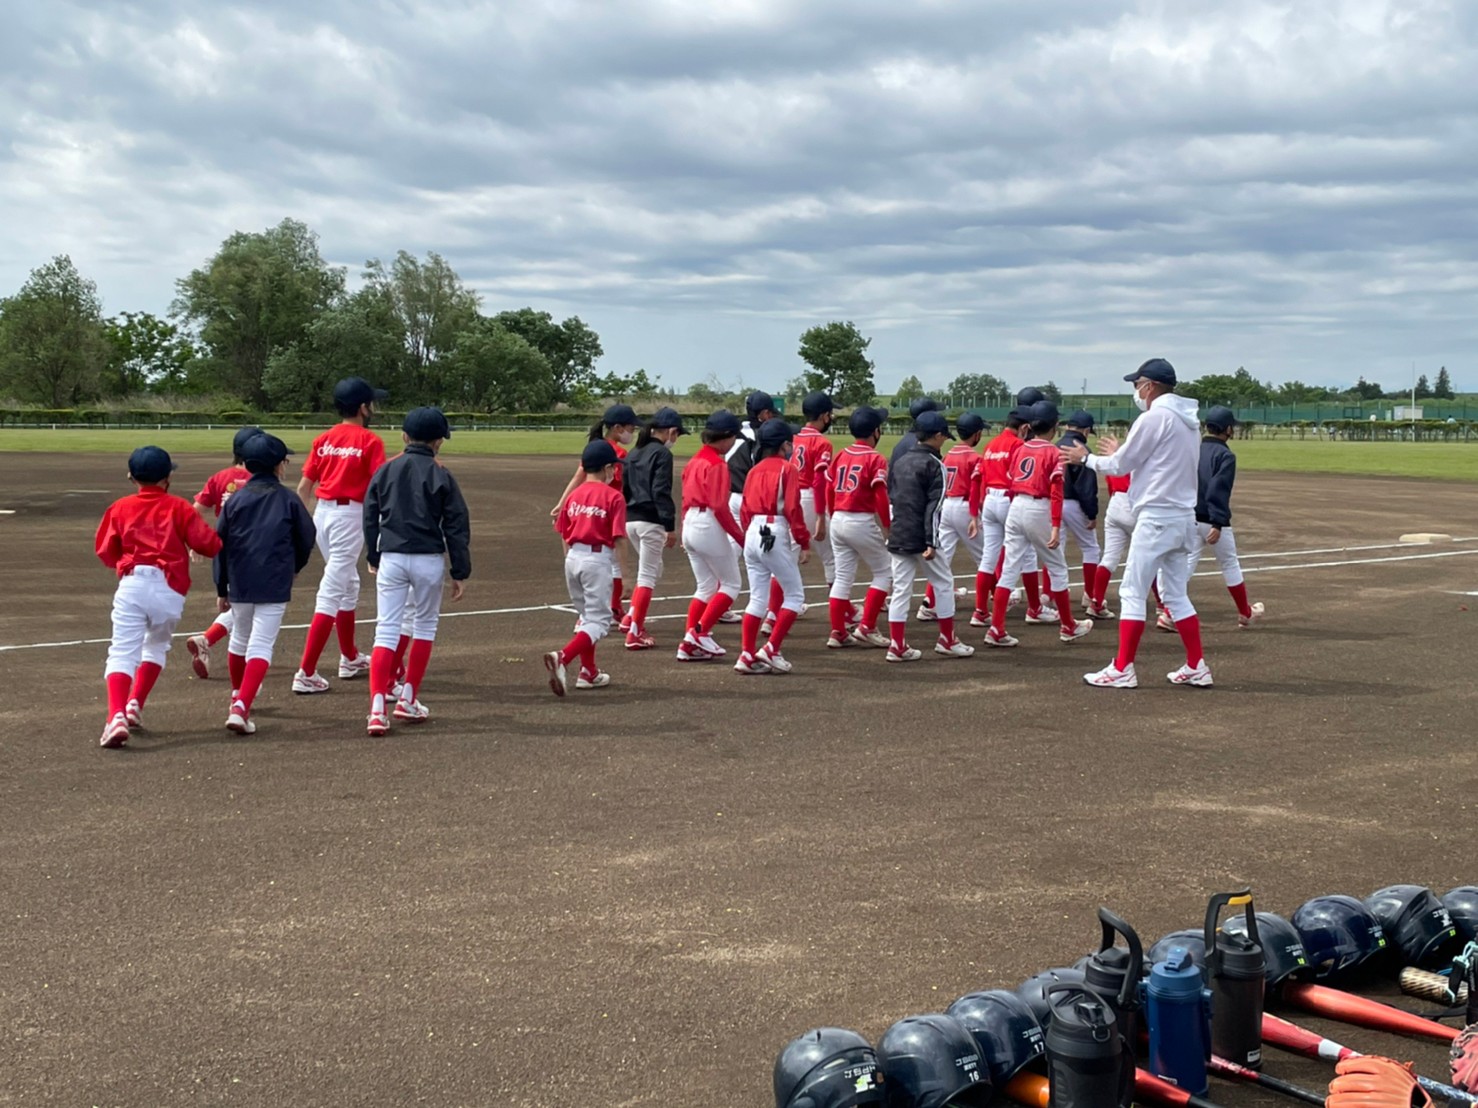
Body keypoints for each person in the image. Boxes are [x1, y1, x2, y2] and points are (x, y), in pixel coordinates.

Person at [1061, 358, 1212, 689]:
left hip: (1157, 514)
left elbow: (1121, 464)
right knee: (1175, 594)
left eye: (1137, 385)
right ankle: (1196, 665)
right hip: (1182, 515)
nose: (1136, 391)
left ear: (1150, 386)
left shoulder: (1154, 416)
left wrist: (1086, 459)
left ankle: (1122, 668)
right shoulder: (1188, 421)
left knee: (1132, 590)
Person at [94, 446, 222, 748]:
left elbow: (106, 551)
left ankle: (116, 716)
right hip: (169, 588)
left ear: (131, 476)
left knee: (122, 651)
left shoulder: (120, 507)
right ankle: (135, 705)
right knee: (156, 646)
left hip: (134, 583)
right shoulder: (179, 507)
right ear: (168, 477)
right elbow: (209, 544)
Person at [363, 407, 472, 733]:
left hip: (392, 556)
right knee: (424, 627)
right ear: (438, 442)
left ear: (404, 436)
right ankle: (408, 699)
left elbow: (370, 515)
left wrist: (374, 555)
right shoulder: (442, 474)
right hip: (428, 559)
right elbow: (456, 525)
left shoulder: (386, 469)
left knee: (386, 629)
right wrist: (460, 570)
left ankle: (377, 709)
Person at [212, 433, 317, 735]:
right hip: (274, 579)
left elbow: (220, 545)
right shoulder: (288, 499)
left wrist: (221, 586)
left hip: (240, 579)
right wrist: (295, 567)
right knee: (261, 643)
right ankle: (241, 708)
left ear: (246, 464)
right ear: (278, 466)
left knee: (239, 638)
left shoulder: (235, 500)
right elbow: (306, 537)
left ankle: (237, 695)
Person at [293, 376, 389, 694]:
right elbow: (379, 488)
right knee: (332, 590)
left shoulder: (323, 438)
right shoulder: (370, 441)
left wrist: (302, 525)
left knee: (348, 584)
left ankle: (349, 658)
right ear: (363, 407)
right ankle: (306, 672)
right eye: (370, 403)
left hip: (323, 514)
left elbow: (304, 487)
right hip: (349, 517)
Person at [984, 401, 1092, 648]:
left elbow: (1011, 479)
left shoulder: (1021, 447)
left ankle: (996, 628)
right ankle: (1068, 625)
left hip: (1016, 505)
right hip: (1038, 507)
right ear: (1055, 426)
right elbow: (1056, 491)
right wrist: (1055, 524)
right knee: (1057, 568)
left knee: (1009, 569)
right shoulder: (1053, 452)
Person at [886, 411, 974, 660]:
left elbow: (893, 498)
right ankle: (947, 639)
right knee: (943, 583)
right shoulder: (935, 464)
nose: (944, 440)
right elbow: (934, 507)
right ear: (936, 436)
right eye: (943, 436)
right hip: (921, 535)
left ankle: (897, 645)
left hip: (899, 531)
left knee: (901, 589)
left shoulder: (900, 461)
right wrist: (931, 541)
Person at [546, 440, 626, 696]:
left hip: (573, 558)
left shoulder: (573, 496)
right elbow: (619, 539)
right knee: (599, 622)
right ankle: (563, 657)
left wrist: (570, 560)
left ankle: (588, 672)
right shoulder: (614, 496)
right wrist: (627, 576)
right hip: (597, 559)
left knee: (586, 617)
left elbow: (563, 531)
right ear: (606, 468)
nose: (615, 471)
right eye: (613, 467)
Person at [734, 419, 811, 674]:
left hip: (753, 530)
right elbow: (792, 508)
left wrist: (749, 534)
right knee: (795, 596)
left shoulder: (754, 470)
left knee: (757, 597)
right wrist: (803, 540)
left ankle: (746, 654)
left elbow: (744, 509)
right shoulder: (787, 469)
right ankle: (771, 649)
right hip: (774, 529)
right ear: (783, 444)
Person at [183, 425, 259, 679]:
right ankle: (208, 640)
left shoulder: (219, 477)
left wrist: (196, 542)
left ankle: (209, 641)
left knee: (239, 603)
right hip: (254, 550)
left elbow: (194, 512)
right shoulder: (260, 480)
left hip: (225, 550)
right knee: (252, 607)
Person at [554, 404, 639, 623]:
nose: (633, 433)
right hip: (606, 510)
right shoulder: (616, 453)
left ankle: (591, 612)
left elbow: (578, 477)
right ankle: (613, 607)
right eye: (631, 428)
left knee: (597, 561)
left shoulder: (594, 448)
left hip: (589, 508)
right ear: (617, 428)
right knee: (612, 559)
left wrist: (563, 503)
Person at [1183, 405, 1265, 628]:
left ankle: (1169, 612)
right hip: (1212, 520)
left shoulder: (1194, 449)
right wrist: (1218, 522)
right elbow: (1217, 490)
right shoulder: (1225, 455)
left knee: (1185, 565)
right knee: (1229, 563)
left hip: (1190, 516)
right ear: (1227, 429)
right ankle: (1244, 613)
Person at [677, 410, 746, 661]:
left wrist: (684, 529)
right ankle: (700, 633)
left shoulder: (694, 460)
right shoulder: (717, 464)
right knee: (731, 584)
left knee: (705, 586)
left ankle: (690, 641)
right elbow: (719, 506)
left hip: (691, 522)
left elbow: (685, 499)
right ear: (725, 437)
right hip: (707, 524)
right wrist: (740, 537)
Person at [971, 407, 1045, 626]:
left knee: (988, 556)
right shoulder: (1019, 445)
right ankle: (1035, 608)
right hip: (1009, 499)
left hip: (990, 500)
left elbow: (982, 476)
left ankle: (980, 611)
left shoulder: (991, 444)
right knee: (1028, 554)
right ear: (1024, 427)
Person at [826, 405, 893, 649]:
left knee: (843, 576)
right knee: (885, 571)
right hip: (860, 520)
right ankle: (867, 626)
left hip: (838, 518)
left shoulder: (841, 455)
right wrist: (887, 525)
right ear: (875, 431)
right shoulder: (875, 458)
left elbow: (829, 489)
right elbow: (880, 495)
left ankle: (838, 631)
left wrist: (833, 515)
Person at [621, 407, 686, 649]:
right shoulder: (662, 454)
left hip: (631, 519)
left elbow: (625, 488)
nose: (675, 439)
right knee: (648, 575)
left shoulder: (634, 452)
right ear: (670, 431)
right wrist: (669, 525)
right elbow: (660, 491)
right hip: (650, 520)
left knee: (654, 569)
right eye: (676, 434)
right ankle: (635, 631)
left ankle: (630, 618)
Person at [725, 391, 779, 622]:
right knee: (767, 548)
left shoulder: (734, 431)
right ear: (764, 413)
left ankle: (721, 600)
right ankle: (771, 605)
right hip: (752, 500)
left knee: (733, 549)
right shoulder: (760, 436)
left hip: (732, 497)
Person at [893, 397, 943, 618]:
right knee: (941, 578)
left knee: (901, 583)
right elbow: (931, 499)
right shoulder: (924, 450)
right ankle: (945, 629)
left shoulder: (901, 444)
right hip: (918, 517)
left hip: (899, 515)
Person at [935, 412, 986, 624]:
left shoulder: (948, 454)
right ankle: (983, 610)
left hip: (947, 506)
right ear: (976, 434)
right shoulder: (975, 457)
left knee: (941, 558)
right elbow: (975, 490)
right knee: (985, 558)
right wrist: (974, 515)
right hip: (965, 507)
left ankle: (930, 604)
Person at [1058, 410, 1104, 617]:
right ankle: (1090, 595)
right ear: (1086, 430)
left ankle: (1048, 595)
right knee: (1091, 548)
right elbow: (1086, 488)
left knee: (1055, 551)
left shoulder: (1055, 445)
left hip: (1053, 503)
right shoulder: (1082, 450)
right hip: (1074, 504)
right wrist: (1091, 514)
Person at [1087, 471, 1133, 618]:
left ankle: (1097, 602)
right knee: (1146, 556)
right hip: (1133, 503)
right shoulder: (1141, 458)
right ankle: (1161, 604)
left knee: (1109, 558)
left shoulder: (1116, 457)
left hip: (1115, 502)